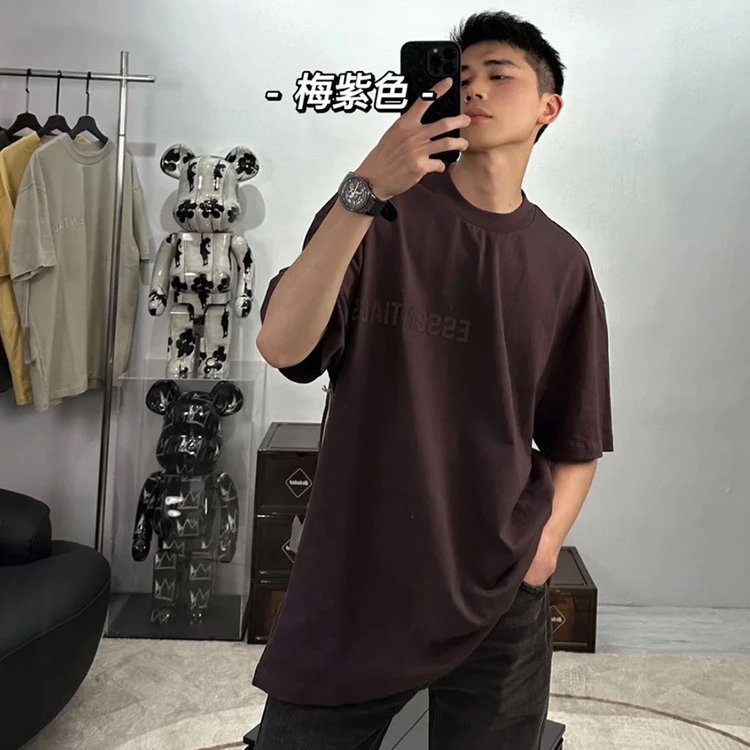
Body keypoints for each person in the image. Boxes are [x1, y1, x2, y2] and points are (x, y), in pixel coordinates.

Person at [252, 9, 614, 750]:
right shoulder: (374, 213)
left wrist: (544, 549)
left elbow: (576, 436)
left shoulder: (562, 262)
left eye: (498, 74)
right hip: (359, 574)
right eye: (462, 73)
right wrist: (363, 188)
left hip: (500, 582)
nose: (472, 87)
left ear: (548, 108)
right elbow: (282, 345)